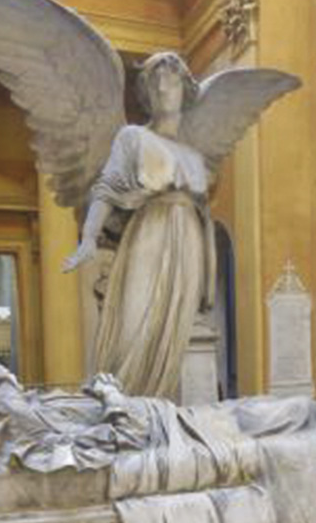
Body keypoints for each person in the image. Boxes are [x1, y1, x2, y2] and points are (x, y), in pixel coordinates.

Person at [62, 53, 216, 399]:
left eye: (172, 80)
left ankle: (164, 420)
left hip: (187, 242)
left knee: (176, 337)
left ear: (185, 89)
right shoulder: (132, 137)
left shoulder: (193, 157)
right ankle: (122, 411)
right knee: (134, 326)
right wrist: (88, 237)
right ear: (146, 92)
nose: (164, 88)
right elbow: (107, 186)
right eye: (155, 81)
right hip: (149, 233)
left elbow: (203, 212)